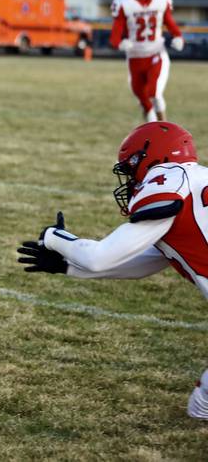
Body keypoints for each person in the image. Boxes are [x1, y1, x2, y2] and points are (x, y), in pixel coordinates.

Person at [17, 121, 208, 420]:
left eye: (131, 167)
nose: (130, 179)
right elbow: (145, 263)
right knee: (202, 403)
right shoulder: (198, 182)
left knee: (202, 406)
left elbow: (99, 258)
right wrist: (68, 267)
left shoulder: (167, 180)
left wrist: (55, 238)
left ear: (152, 158)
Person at [109, 0, 184, 122]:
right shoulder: (123, 3)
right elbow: (115, 34)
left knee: (154, 93)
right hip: (134, 57)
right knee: (143, 100)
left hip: (155, 54)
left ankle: (165, 128)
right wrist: (119, 43)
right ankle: (153, 134)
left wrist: (178, 36)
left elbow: (169, 21)